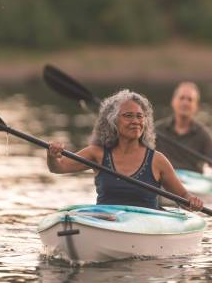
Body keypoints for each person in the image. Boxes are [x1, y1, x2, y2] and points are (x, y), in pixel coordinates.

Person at [47, 89, 203, 211]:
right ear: (113, 121)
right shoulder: (97, 153)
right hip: (107, 222)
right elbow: (58, 167)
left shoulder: (157, 160)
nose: (135, 121)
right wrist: (52, 156)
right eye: (128, 116)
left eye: (140, 116)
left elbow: (182, 196)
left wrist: (192, 201)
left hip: (147, 225)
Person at [155, 82, 212, 173]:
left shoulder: (203, 135)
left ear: (196, 106)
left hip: (192, 183)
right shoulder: (157, 130)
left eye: (190, 100)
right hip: (164, 181)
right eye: (181, 98)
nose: (185, 103)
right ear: (173, 102)